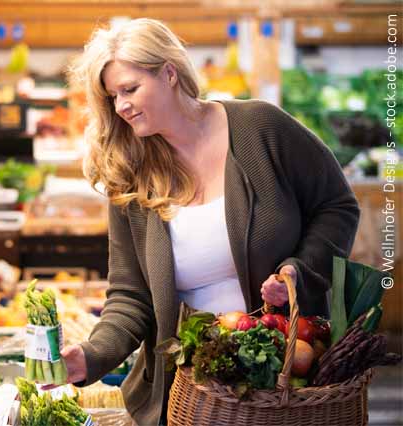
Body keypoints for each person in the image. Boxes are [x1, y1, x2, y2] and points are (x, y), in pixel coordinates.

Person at [61, 18, 360, 425]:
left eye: (130, 89)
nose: (121, 106)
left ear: (169, 73)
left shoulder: (260, 129)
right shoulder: (131, 173)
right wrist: (91, 356)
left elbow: (337, 205)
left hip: (288, 382)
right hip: (194, 393)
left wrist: (300, 269)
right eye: (113, 96)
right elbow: (130, 296)